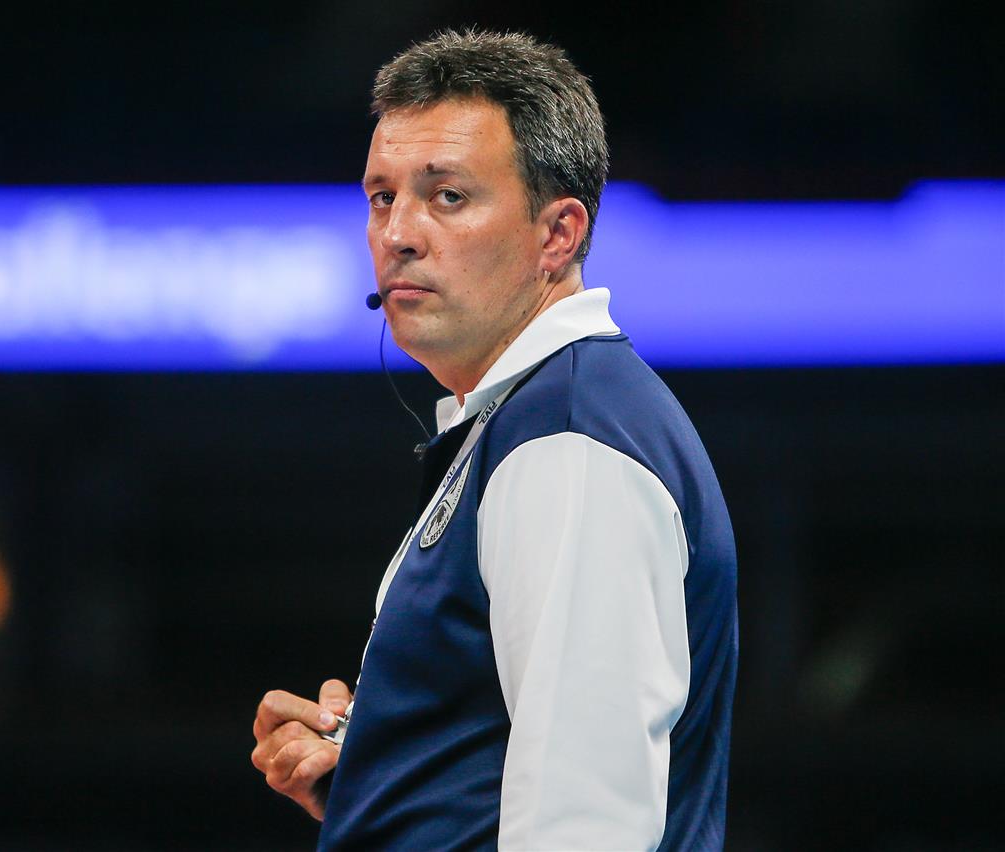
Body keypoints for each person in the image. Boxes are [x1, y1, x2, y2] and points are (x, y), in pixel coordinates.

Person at [251, 29, 737, 851]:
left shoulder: (569, 442)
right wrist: (377, 774)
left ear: (557, 235)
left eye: (447, 196)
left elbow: (586, 827)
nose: (398, 233)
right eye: (381, 197)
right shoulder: (529, 420)